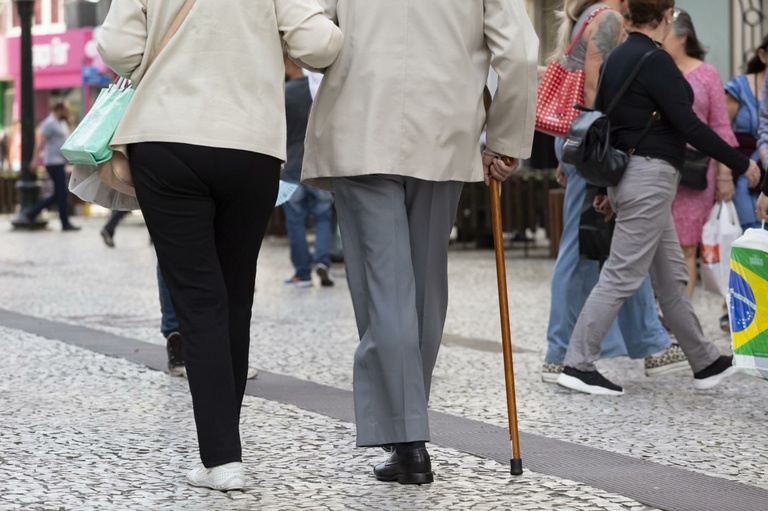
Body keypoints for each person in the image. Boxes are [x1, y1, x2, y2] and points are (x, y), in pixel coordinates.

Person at [97, 0, 342, 492]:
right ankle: (223, 449)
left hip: (165, 140)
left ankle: (222, 458)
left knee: (197, 297)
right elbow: (320, 46)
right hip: (250, 144)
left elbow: (118, 47)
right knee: (234, 293)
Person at [303, 0, 538, 485]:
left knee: (385, 286)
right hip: (445, 127)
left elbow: (310, 39)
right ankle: (408, 427)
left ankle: (407, 440)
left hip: (360, 121)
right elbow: (519, 51)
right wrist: (507, 137)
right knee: (427, 285)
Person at [557, 0, 761, 396]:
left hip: (634, 178)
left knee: (671, 275)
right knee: (622, 273)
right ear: (667, 16)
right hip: (649, 178)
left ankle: (705, 361)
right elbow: (689, 126)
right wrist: (741, 163)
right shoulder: (655, 60)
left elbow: (606, 122)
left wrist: (604, 189)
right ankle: (578, 364)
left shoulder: (617, 57)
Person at [543, 0, 685, 384]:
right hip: (596, 140)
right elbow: (593, 85)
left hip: (586, 139)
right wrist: (598, 150)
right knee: (580, 247)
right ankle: (559, 352)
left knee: (622, 244)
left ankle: (648, 342)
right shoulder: (606, 17)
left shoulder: (590, 16)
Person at [664, 11, 738, 300]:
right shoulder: (656, 69)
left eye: (666, 32)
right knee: (656, 246)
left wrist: (724, 173)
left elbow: (720, 126)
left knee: (687, 245)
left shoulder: (707, 74)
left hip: (696, 172)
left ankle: (679, 314)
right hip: (660, 165)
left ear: (682, 36)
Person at [282, 60, 334, 288]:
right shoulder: (319, 92)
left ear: (287, 65)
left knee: (295, 223)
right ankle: (323, 261)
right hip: (318, 165)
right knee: (323, 218)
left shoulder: (283, 94)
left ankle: (302, 273)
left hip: (291, 168)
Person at [726, 36, 767, 232]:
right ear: (762, 55)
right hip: (746, 169)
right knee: (751, 232)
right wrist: (723, 175)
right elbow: (722, 129)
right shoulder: (739, 87)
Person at [21, 102, 80, 231]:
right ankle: (63, 222)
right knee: (61, 193)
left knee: (60, 193)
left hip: (59, 162)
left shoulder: (60, 123)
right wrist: (34, 160)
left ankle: (32, 212)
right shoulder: (49, 123)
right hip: (53, 162)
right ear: (59, 109)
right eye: (66, 110)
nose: (68, 113)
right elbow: (40, 142)